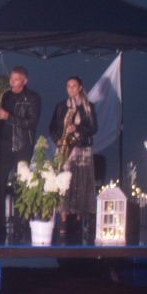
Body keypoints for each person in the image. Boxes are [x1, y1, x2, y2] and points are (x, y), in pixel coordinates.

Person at [0, 65, 42, 244]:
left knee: (20, 188)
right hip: (3, 145)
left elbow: (31, 123)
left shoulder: (33, 98)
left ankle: (20, 226)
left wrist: (8, 117)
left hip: (21, 147)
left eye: (16, 79)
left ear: (24, 81)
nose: (11, 82)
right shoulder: (5, 95)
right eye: (11, 78)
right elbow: (0, 118)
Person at [55, 73, 98, 243]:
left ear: (80, 88)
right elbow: (53, 126)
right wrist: (58, 139)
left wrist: (77, 129)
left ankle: (78, 221)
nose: (71, 89)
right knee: (64, 184)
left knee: (80, 184)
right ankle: (63, 219)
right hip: (65, 149)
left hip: (81, 150)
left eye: (74, 86)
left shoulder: (88, 107)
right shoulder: (61, 106)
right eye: (68, 86)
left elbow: (93, 128)